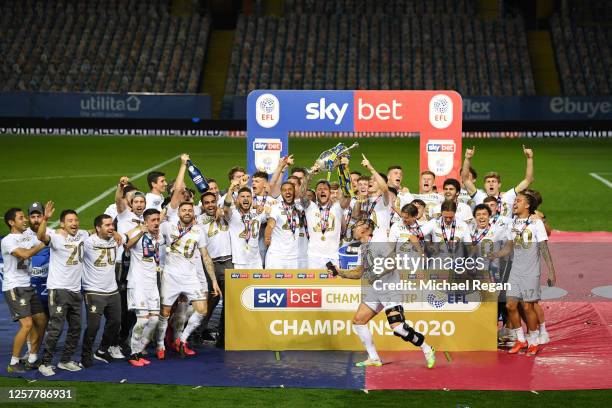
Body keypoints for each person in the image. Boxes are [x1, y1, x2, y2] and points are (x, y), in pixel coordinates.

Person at [332, 219, 436, 368]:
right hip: (376, 290)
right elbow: (359, 272)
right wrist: (339, 271)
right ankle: (374, 358)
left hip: (390, 289)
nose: (353, 229)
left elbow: (392, 262)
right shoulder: (363, 248)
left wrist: (376, 274)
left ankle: (427, 348)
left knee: (399, 328)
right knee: (358, 321)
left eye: (356, 226)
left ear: (366, 229)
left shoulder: (379, 241)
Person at [490, 192, 556, 356]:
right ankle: (521, 340)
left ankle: (533, 342)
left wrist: (551, 272)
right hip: (515, 271)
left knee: (527, 306)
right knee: (510, 305)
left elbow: (544, 248)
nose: (514, 203)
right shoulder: (512, 223)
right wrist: (495, 255)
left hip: (531, 271)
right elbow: (509, 247)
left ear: (527, 205)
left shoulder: (536, 223)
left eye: (518, 201)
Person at [156, 202, 221, 358]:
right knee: (165, 313)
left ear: (194, 213)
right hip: (170, 276)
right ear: (178, 213)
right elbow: (153, 226)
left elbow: (205, 256)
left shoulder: (199, 231)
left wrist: (213, 281)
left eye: (190, 210)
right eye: (183, 210)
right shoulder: (167, 226)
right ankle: (159, 345)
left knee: (202, 310)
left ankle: (182, 340)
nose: (187, 213)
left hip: (190, 277)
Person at [37, 203, 89, 376]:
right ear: (62, 224)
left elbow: (95, 231)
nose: (74, 223)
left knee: (76, 328)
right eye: (70, 221)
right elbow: (41, 236)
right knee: (56, 328)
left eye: (76, 220)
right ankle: (45, 363)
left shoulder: (82, 234)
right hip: (59, 291)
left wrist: (117, 233)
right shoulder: (56, 237)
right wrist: (45, 218)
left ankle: (65, 360)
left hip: (75, 291)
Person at [2, 208, 47, 373]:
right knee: (27, 324)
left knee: (41, 320)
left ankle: (32, 357)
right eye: (21, 218)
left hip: (27, 285)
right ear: (11, 222)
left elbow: (41, 236)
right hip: (14, 287)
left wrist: (45, 220)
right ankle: (14, 362)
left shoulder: (27, 234)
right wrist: (43, 243)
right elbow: (25, 254)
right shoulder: (8, 241)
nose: (25, 220)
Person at [124, 208, 165, 366]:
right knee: (142, 321)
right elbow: (127, 247)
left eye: (157, 219)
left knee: (154, 320)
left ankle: (139, 350)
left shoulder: (157, 237)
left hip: (152, 284)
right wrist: (140, 232)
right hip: (138, 283)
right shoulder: (139, 235)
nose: (156, 223)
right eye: (153, 220)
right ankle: (133, 353)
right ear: (146, 222)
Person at [81, 214, 122, 367]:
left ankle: (102, 350)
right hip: (93, 290)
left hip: (112, 290)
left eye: (112, 225)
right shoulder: (88, 242)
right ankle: (86, 355)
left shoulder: (115, 239)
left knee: (116, 323)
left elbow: (127, 235)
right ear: (98, 228)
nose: (111, 227)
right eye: (107, 225)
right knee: (93, 326)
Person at [197, 191, 232, 347]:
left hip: (228, 262)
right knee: (210, 300)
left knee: (229, 302)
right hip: (210, 264)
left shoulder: (226, 215)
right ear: (202, 205)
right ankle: (198, 332)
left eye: (213, 201)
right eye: (207, 202)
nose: (210, 205)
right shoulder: (199, 221)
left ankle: (223, 335)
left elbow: (230, 206)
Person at [461, 145, 534, 218]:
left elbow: (528, 180)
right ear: (484, 185)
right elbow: (465, 179)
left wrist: (529, 158)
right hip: (484, 227)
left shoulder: (508, 196)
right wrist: (467, 159)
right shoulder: (479, 196)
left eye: (494, 181)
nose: (491, 184)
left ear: (499, 185)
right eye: (488, 182)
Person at [224, 182, 269, 269]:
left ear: (252, 200)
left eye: (248, 197)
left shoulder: (258, 213)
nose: (245, 199)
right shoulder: (233, 214)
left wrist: (264, 208)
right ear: (237, 200)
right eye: (242, 196)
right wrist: (230, 189)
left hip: (256, 262)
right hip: (239, 262)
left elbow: (270, 213)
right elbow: (226, 209)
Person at [264, 181, 302, 269]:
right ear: (281, 193)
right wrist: (267, 237)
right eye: (284, 190)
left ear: (294, 192)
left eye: (290, 189)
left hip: (295, 256)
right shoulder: (276, 207)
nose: (287, 192)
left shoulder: (300, 207)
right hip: (277, 255)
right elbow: (270, 224)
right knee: (273, 282)